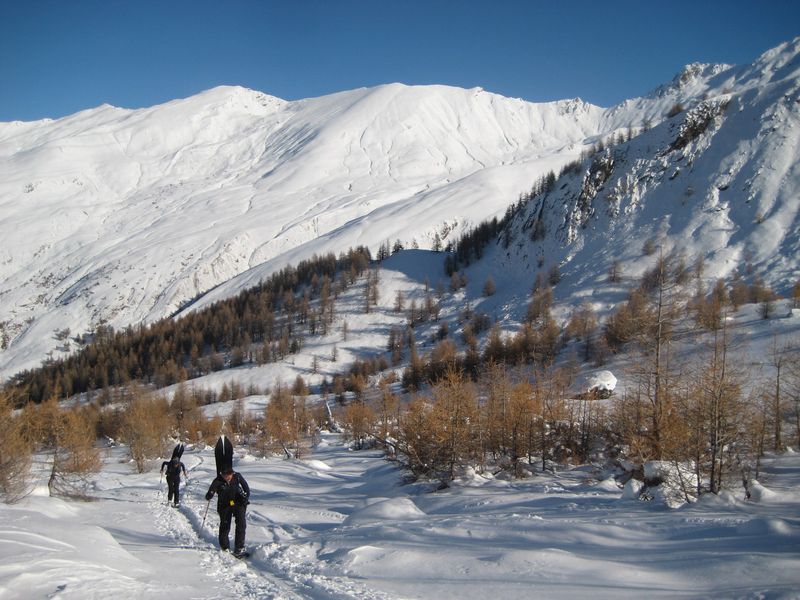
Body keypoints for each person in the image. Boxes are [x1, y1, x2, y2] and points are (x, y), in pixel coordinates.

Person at [205, 467, 250, 556]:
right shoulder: (218, 480)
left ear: (232, 473)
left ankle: (239, 548)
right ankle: (225, 547)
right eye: (224, 476)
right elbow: (210, 492)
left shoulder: (237, 477)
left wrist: (246, 498)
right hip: (224, 504)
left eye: (229, 475)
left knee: (241, 524)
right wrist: (210, 494)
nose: (227, 477)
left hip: (238, 502)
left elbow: (246, 489)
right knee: (225, 525)